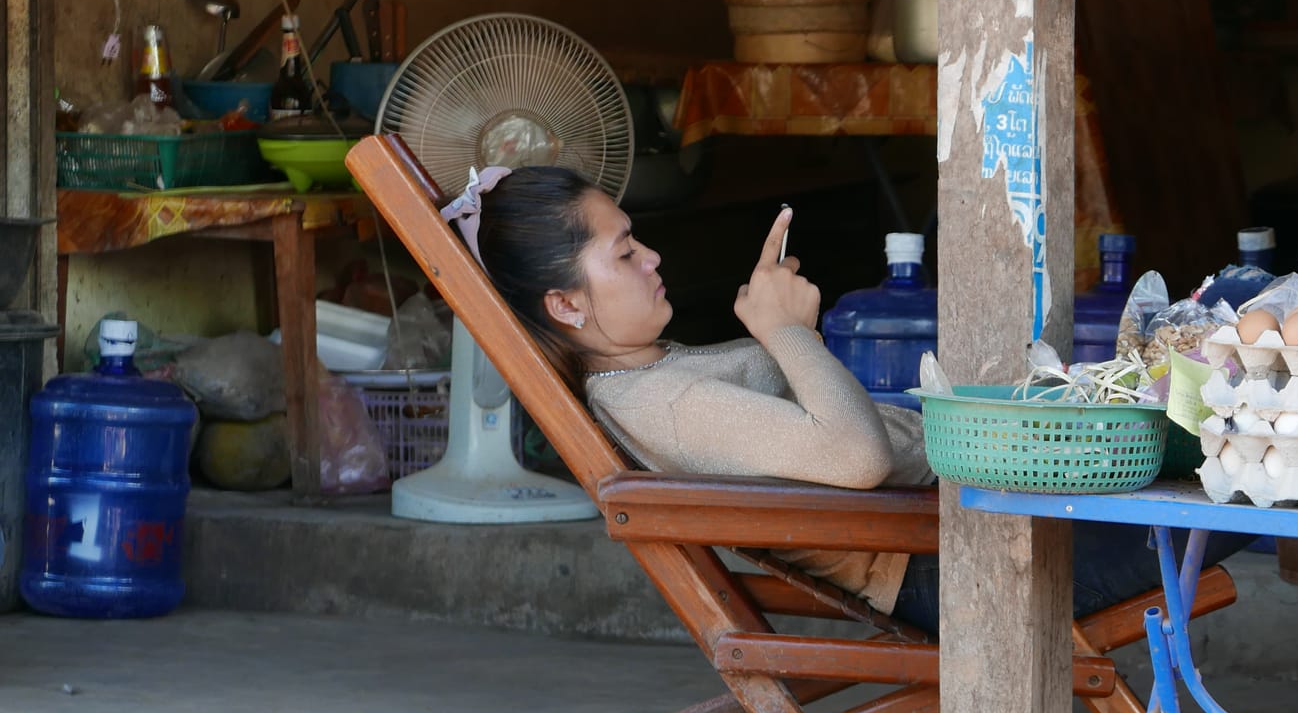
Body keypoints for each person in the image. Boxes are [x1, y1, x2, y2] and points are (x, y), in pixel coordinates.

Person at [457, 165, 1236, 633]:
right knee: (1256, 469)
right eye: (624, 252)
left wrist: (777, 329)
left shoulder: (654, 372)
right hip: (953, 562)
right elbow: (857, 459)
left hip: (978, 513)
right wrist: (787, 334)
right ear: (565, 305)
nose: (653, 257)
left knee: (1235, 417)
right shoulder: (661, 402)